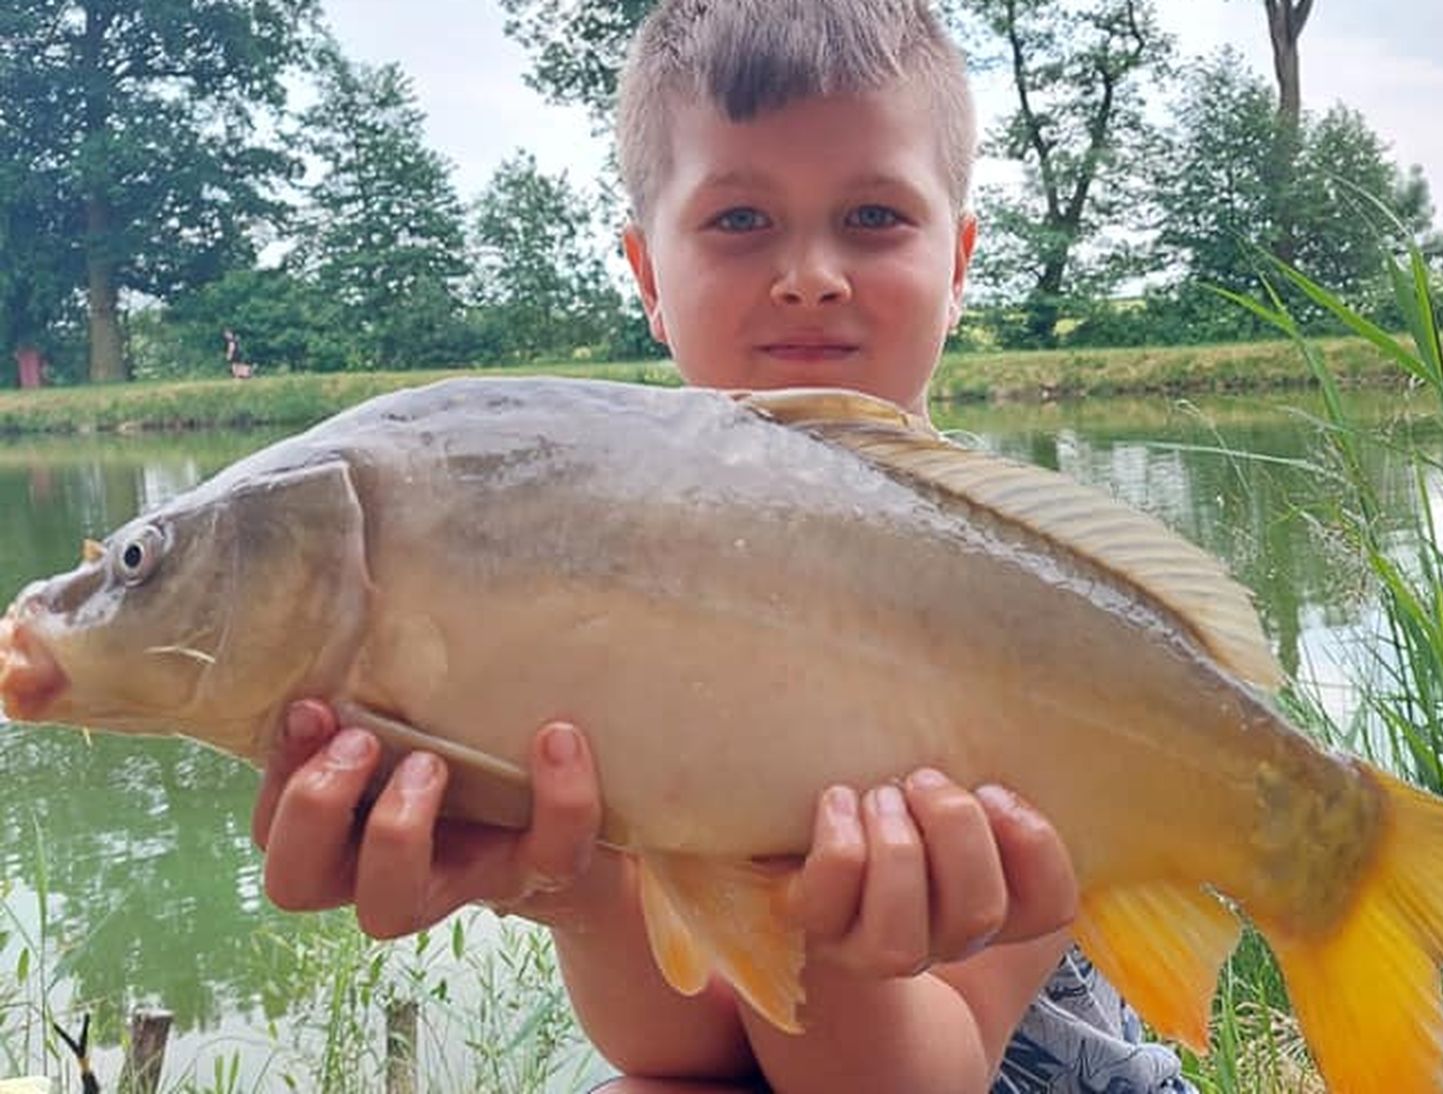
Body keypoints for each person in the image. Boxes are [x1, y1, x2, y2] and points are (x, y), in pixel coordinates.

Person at [251, 2, 1194, 1091]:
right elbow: (680, 1049)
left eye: (875, 215)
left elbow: (916, 1078)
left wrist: (819, 921)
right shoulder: (610, 576)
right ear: (647, 274)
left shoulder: (1027, 600)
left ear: (960, 259)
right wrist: (558, 884)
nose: (809, 273)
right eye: (741, 221)